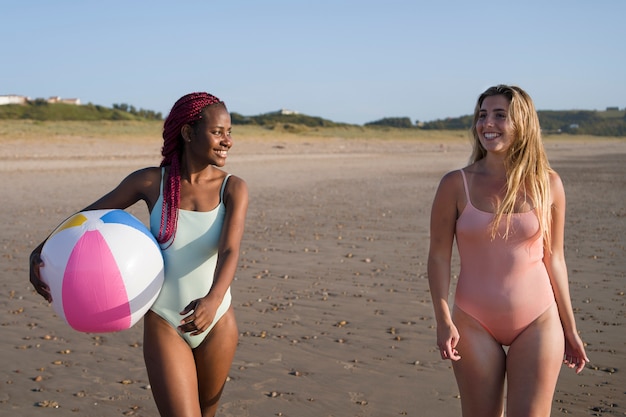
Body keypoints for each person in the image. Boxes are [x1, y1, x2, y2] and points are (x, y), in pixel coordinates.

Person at [29, 92, 248, 417]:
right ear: (188, 133)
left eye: (229, 132)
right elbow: (89, 216)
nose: (227, 141)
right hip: (165, 321)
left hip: (217, 321)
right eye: (218, 132)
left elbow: (230, 250)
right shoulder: (151, 182)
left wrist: (213, 300)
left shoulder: (233, 188)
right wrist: (42, 249)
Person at [427, 85, 589, 416]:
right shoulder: (455, 184)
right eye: (482, 115)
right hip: (473, 322)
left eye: (500, 115)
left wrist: (570, 328)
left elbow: (554, 258)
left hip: (538, 321)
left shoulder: (549, 184)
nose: (488, 123)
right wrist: (443, 319)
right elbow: (439, 256)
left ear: (523, 123)